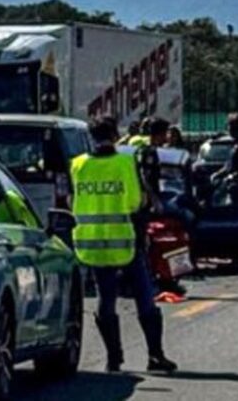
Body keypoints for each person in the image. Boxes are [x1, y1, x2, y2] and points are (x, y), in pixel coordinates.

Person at [71, 116, 177, 374]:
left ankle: (113, 360)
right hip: (126, 241)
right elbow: (134, 202)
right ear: (115, 135)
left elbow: (73, 199)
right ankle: (155, 355)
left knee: (105, 300)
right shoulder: (124, 162)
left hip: (93, 244)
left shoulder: (77, 165)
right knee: (144, 298)